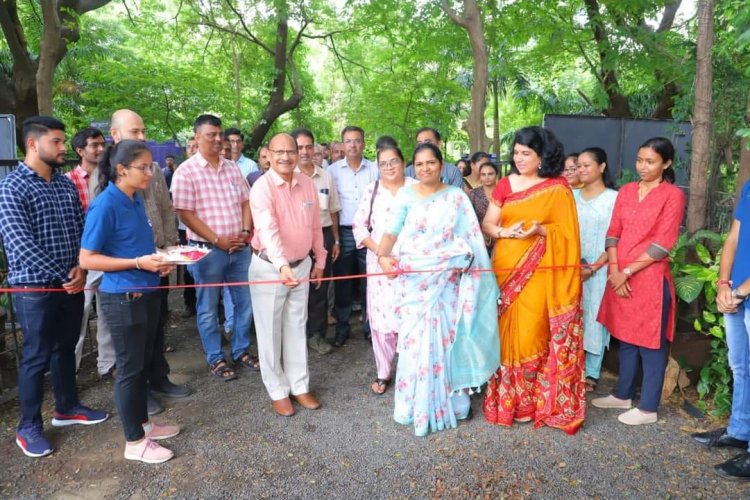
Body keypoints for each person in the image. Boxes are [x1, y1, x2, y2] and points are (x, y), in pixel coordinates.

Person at [0, 116, 108, 458]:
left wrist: (80, 267)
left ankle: (67, 407)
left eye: (63, 142)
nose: (64, 148)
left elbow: (81, 230)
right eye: (58, 142)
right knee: (35, 356)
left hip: (72, 282)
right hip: (35, 288)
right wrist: (67, 273)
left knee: (65, 347)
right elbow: (20, 244)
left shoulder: (63, 185)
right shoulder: (11, 187)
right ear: (34, 144)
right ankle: (28, 426)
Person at [376, 142, 500, 436]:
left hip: (447, 283)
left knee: (448, 338)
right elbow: (392, 230)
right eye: (419, 164)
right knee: (414, 340)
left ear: (441, 165)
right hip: (415, 282)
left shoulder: (457, 197)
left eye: (430, 163)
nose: (425, 169)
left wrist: (463, 262)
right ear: (413, 168)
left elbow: (471, 238)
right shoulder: (406, 195)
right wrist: (382, 257)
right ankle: (412, 404)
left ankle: (455, 404)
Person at [80, 140, 180, 464]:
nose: (150, 173)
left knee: (142, 364)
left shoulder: (135, 198)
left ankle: (145, 426)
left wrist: (159, 261)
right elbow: (87, 259)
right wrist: (138, 263)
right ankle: (134, 442)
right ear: (122, 170)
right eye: (144, 167)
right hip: (123, 297)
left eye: (151, 166)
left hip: (147, 290)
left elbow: (136, 248)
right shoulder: (105, 204)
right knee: (129, 370)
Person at [482, 126, 586, 434]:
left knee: (532, 332)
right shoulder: (505, 184)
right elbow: (489, 222)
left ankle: (530, 401)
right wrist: (504, 232)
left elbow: (568, 234)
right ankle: (506, 401)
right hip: (505, 265)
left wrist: (541, 230)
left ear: (542, 156)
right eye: (515, 153)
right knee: (504, 335)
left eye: (526, 153)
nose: (519, 159)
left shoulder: (557, 188)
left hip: (541, 268)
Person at [593, 137, 686, 425]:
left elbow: (663, 244)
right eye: (639, 160)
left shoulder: (673, 195)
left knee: (651, 343)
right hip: (621, 273)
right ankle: (623, 395)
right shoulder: (627, 191)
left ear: (666, 163)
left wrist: (626, 272)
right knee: (626, 337)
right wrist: (615, 270)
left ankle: (647, 408)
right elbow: (613, 232)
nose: (642, 166)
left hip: (650, 278)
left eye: (650, 161)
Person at [110, 109, 189, 416]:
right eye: (134, 132)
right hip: (129, 268)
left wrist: (170, 248)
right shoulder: (108, 172)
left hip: (159, 261)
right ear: (116, 136)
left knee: (157, 325)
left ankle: (159, 377)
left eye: (143, 131)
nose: (142, 137)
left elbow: (166, 209)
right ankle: (139, 391)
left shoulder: (154, 168)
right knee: (135, 337)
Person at [171, 114, 256, 381]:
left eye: (219, 134)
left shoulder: (232, 168)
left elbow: (246, 202)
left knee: (246, 303)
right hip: (206, 251)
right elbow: (185, 213)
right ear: (197, 137)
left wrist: (244, 231)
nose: (218, 139)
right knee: (208, 307)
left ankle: (241, 349)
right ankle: (216, 357)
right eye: (211, 135)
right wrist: (217, 239)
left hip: (239, 248)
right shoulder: (186, 171)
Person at [249, 133, 326, 417]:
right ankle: (277, 390)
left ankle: (299, 385)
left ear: (298, 153)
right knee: (270, 330)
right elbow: (268, 231)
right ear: (268, 153)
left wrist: (320, 259)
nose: (285, 157)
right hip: (270, 267)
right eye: (278, 152)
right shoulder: (261, 188)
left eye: (290, 151)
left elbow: (315, 224)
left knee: (296, 325)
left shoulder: (307, 183)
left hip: (302, 265)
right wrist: (282, 266)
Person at [692, 180, 750, 480]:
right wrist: (723, 284)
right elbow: (734, 237)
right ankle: (740, 432)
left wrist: (740, 291)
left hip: (743, 293)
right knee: (740, 367)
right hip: (736, 293)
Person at [352, 145, 417, 394]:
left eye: (394, 161)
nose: (389, 167)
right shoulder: (372, 190)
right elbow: (359, 228)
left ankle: (411, 370)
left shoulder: (416, 188)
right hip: (379, 263)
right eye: (383, 163)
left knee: (410, 316)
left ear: (403, 162)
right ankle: (383, 371)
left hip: (411, 265)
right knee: (382, 319)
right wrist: (381, 255)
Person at [327, 125, 378, 346]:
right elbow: (331, 207)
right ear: (342, 144)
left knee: (371, 281)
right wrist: (336, 238)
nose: (353, 145)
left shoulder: (375, 169)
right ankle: (343, 327)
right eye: (348, 141)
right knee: (343, 282)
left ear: (364, 143)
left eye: (357, 141)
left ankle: (370, 327)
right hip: (346, 232)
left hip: (370, 232)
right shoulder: (333, 171)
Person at [573, 147, 618, 392]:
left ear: (601, 167)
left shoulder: (614, 198)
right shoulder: (570, 196)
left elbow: (616, 236)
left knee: (595, 317)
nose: (581, 169)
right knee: (573, 314)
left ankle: (592, 372)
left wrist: (595, 266)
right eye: (578, 165)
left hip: (601, 268)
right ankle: (571, 367)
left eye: (587, 165)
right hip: (570, 266)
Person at [292, 128, 341, 355]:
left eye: (308, 147)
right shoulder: (287, 175)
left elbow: (333, 211)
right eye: (299, 147)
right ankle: (294, 337)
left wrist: (337, 241)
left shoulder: (325, 175)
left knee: (320, 287)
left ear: (314, 149)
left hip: (323, 236)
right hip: (295, 238)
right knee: (295, 288)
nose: (304, 151)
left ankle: (317, 335)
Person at [67, 127, 107, 372]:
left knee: (108, 316)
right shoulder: (69, 182)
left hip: (109, 257)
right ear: (80, 150)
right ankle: (70, 371)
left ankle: (107, 364)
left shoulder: (108, 178)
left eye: (103, 143)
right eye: (94, 145)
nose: (101, 149)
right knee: (78, 318)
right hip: (81, 260)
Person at [466, 159, 498, 253]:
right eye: (483, 174)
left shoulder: (504, 192)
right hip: (479, 240)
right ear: (479, 177)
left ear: (496, 175)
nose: (487, 177)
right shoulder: (472, 194)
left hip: (502, 236)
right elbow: (468, 219)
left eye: (490, 174)